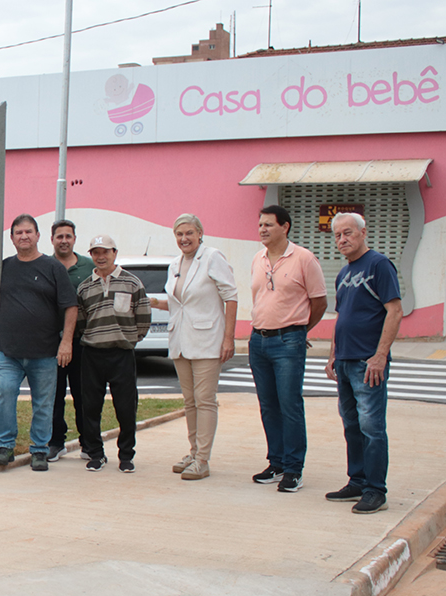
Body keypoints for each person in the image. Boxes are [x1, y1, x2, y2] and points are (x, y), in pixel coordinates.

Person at [147, 214, 238, 481]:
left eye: (189, 233)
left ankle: (203, 460)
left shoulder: (212, 257)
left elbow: (230, 297)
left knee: (205, 400)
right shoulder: (175, 263)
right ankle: (193, 451)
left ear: (200, 233)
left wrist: (229, 338)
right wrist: (153, 302)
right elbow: (179, 303)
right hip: (180, 341)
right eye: (179, 234)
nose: (184, 239)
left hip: (207, 340)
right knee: (190, 402)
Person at [324, 213, 403, 515]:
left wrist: (380, 355)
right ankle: (357, 480)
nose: (342, 239)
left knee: (372, 427)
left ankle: (375, 490)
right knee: (352, 426)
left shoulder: (379, 265)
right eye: (337, 235)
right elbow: (341, 317)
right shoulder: (344, 273)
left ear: (362, 233)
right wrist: (333, 354)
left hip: (367, 362)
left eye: (348, 233)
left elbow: (394, 310)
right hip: (345, 361)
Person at [248, 205, 327, 494]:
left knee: (290, 405)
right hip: (259, 341)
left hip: (288, 341)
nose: (263, 230)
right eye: (260, 225)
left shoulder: (304, 258)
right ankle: (276, 462)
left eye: (269, 225)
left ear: (285, 227)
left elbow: (319, 301)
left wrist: (300, 330)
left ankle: (294, 469)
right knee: (268, 405)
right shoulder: (258, 258)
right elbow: (258, 297)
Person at [0, 214, 77, 471]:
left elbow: (70, 307)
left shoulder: (53, 268)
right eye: (19, 233)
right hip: (9, 352)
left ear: (38, 236)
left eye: (29, 231)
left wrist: (66, 343)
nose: (24, 236)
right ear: (12, 238)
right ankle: (4, 447)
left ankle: (39, 450)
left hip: (44, 352)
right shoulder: (4, 267)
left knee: (43, 403)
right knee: (5, 395)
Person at [76, 235, 150, 472]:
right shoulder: (85, 287)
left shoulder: (132, 283)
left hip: (122, 355)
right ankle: (95, 454)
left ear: (115, 253)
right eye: (96, 252)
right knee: (90, 407)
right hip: (92, 354)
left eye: (105, 252)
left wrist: (130, 339)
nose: (101, 257)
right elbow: (80, 321)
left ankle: (126, 455)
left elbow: (143, 317)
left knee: (126, 408)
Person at [47, 219, 94, 461]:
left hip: (82, 342)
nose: (64, 240)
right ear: (52, 239)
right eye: (59, 236)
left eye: (68, 236)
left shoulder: (89, 267)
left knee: (83, 393)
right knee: (54, 394)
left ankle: (88, 443)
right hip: (50, 342)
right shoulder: (44, 265)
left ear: (74, 239)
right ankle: (56, 442)